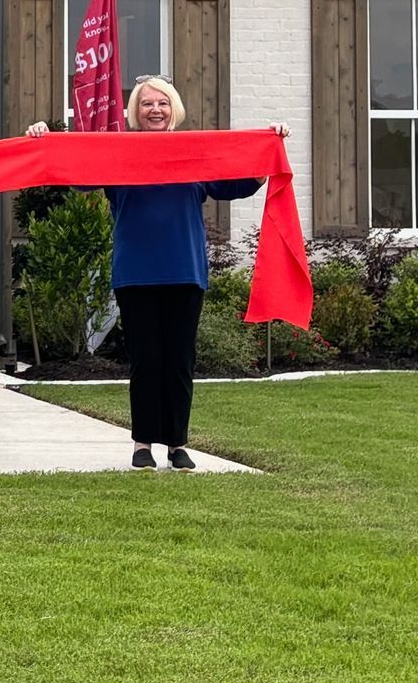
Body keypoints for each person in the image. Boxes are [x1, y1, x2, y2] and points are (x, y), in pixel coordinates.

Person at [27, 78, 289, 470]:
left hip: (185, 271)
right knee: (145, 362)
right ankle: (142, 445)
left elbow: (236, 182)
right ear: (136, 112)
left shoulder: (194, 154)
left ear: (174, 110)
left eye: (162, 103)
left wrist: (271, 145)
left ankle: (177, 445)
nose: (155, 109)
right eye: (147, 103)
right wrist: (43, 139)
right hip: (136, 273)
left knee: (179, 361)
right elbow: (74, 171)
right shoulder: (119, 154)